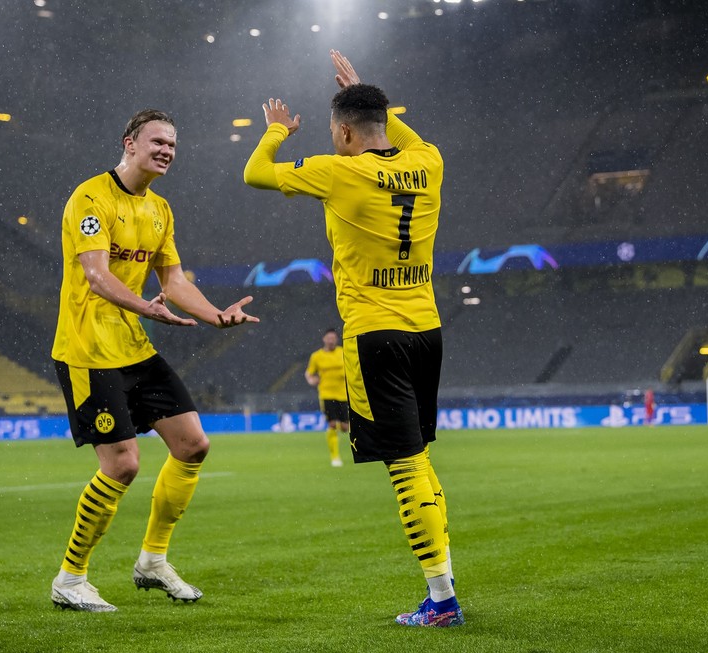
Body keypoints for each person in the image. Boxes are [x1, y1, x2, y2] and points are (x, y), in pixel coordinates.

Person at [244, 50, 462, 627]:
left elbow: (255, 173)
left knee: (403, 465)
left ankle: (442, 601)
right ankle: (443, 585)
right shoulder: (430, 162)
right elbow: (401, 138)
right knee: (419, 460)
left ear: (342, 132)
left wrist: (273, 132)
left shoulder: (338, 170)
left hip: (374, 334)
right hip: (426, 329)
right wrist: (368, 92)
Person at [50, 108, 259, 613]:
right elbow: (96, 276)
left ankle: (152, 561)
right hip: (86, 349)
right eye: (157, 141)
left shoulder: (161, 210)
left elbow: (174, 283)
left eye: (172, 145)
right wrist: (145, 307)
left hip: (132, 346)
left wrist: (215, 316)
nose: (166, 150)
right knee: (122, 465)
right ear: (130, 143)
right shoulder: (91, 197)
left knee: (192, 445)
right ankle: (70, 578)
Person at [304, 328, 349, 467]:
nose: (331, 340)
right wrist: (311, 380)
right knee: (332, 424)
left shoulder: (343, 352)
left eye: (333, 338)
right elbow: (309, 373)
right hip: (326, 394)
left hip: (344, 395)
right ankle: (335, 457)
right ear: (324, 339)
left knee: (345, 427)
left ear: (336, 339)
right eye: (328, 338)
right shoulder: (316, 356)